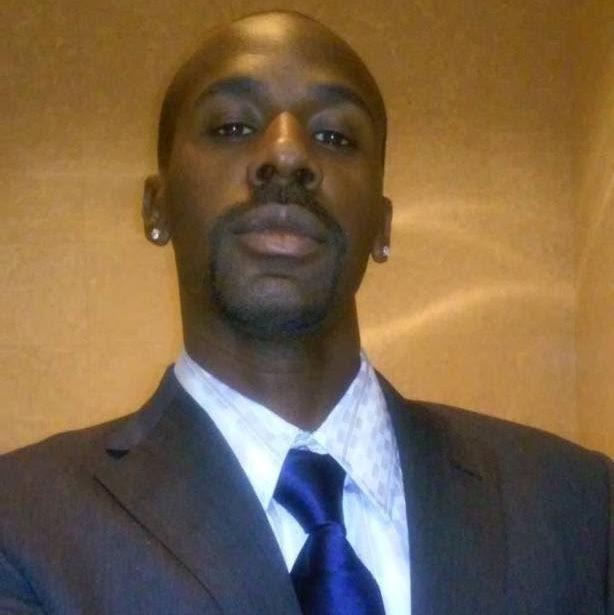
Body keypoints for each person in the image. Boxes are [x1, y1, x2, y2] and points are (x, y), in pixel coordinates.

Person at [0, 10, 611, 615]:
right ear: (156, 208)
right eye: (233, 126)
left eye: (335, 136)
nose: (288, 153)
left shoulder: (580, 506)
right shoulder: (23, 525)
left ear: (382, 226)